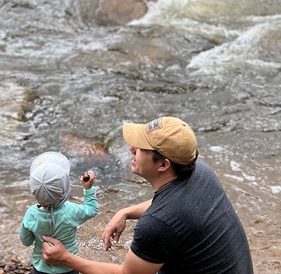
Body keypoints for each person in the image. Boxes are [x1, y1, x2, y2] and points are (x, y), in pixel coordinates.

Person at [41, 117, 254, 274]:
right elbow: (172, 209)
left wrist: (67, 258)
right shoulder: (199, 171)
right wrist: (126, 212)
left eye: (140, 148)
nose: (131, 149)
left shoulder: (157, 224)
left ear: (163, 164)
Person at [19, 151, 98, 274]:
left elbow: (26, 241)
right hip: (68, 266)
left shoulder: (31, 214)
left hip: (41, 267)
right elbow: (91, 210)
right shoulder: (71, 210)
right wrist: (88, 189)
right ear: (65, 188)